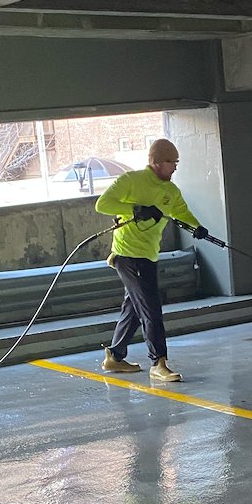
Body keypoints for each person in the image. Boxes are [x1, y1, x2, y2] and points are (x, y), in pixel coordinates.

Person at [95, 138, 209, 383]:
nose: (175, 167)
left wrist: (197, 227)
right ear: (157, 162)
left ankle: (114, 356)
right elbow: (102, 204)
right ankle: (158, 363)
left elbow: (181, 211)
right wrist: (136, 210)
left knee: (135, 308)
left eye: (177, 162)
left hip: (148, 255)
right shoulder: (131, 181)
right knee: (151, 307)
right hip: (127, 254)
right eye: (171, 162)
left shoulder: (171, 190)